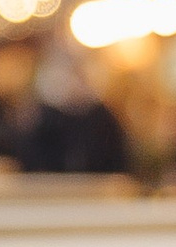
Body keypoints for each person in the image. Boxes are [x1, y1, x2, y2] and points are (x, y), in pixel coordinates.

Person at [19, 49, 132, 180]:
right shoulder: (47, 117)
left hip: (97, 189)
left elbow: (118, 158)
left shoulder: (104, 117)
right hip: (52, 190)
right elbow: (31, 156)